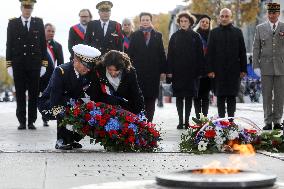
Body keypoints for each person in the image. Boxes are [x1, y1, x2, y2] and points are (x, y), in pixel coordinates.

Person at [38, 44, 101, 150]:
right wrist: (70, 120)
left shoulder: (87, 73)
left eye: (89, 66)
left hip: (71, 103)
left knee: (88, 109)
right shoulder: (61, 71)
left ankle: (71, 139)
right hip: (49, 104)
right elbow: (55, 99)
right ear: (76, 60)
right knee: (67, 104)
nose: (88, 69)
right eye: (85, 65)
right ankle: (61, 140)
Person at [6, 0, 48, 130]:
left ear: (32, 9)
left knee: (34, 94)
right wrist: (9, 64)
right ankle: (22, 121)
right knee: (20, 94)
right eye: (25, 7)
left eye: (30, 7)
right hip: (18, 65)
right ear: (21, 8)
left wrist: (44, 64)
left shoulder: (39, 22)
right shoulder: (13, 23)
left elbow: (43, 44)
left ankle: (31, 121)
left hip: (34, 65)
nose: (27, 10)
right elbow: (9, 44)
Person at [207, 8, 247, 121]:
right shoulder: (214, 32)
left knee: (231, 97)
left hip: (234, 70)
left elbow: (242, 52)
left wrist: (244, 69)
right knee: (220, 96)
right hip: (218, 71)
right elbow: (209, 52)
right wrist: (209, 69)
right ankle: (221, 122)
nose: (224, 18)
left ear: (231, 17)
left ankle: (231, 121)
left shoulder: (238, 32)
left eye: (226, 16)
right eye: (222, 16)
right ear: (219, 17)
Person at [167, 12, 204, 129]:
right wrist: (169, 71)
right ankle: (180, 121)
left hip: (191, 73)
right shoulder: (174, 36)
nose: (183, 23)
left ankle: (187, 121)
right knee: (179, 97)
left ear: (190, 23)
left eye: (185, 21)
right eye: (181, 21)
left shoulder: (196, 36)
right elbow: (170, 55)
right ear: (179, 22)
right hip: (178, 72)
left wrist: (199, 71)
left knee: (189, 97)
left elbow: (200, 55)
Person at [128, 12, 167, 122]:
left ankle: (149, 123)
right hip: (138, 72)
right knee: (139, 98)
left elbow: (161, 54)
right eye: (143, 20)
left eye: (147, 20)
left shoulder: (157, 35)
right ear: (140, 21)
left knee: (151, 98)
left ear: (150, 21)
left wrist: (163, 70)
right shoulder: (135, 35)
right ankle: (139, 121)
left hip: (153, 73)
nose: (145, 22)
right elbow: (130, 53)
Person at [252, 3, 284, 130]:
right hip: (265, 67)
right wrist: (256, 66)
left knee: (280, 95)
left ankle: (277, 121)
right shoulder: (260, 28)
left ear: (278, 14)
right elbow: (256, 48)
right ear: (267, 14)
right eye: (270, 13)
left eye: (274, 13)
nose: (272, 15)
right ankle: (267, 121)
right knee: (266, 95)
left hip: (281, 67)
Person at [88, 50, 145, 114]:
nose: (113, 73)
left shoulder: (129, 72)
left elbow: (136, 93)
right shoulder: (99, 70)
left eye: (116, 70)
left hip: (124, 109)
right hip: (103, 109)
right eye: (110, 69)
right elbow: (94, 92)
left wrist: (138, 114)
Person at [39, 23, 64, 127]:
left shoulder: (58, 46)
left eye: (53, 31)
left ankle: (45, 117)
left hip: (51, 77)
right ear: (44, 31)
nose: (51, 33)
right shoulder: (38, 44)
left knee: (48, 97)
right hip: (38, 76)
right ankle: (30, 120)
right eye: (49, 31)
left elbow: (61, 63)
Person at [193, 15, 212, 119]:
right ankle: (198, 118)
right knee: (196, 96)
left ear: (209, 24)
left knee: (205, 96)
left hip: (208, 70)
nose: (205, 23)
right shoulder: (194, 35)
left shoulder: (212, 35)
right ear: (199, 23)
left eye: (207, 22)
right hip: (196, 70)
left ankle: (204, 118)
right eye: (203, 22)